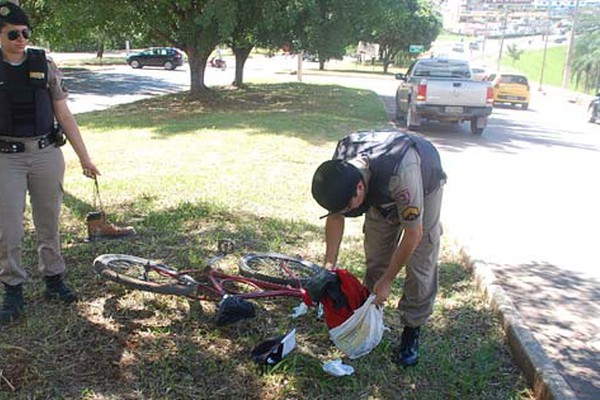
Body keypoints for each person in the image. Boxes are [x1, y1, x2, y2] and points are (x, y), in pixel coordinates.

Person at [0, 2, 100, 326]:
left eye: (25, 32)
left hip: (45, 152)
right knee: (8, 227)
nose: (21, 39)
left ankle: (54, 280)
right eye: (13, 33)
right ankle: (13, 288)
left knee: (49, 222)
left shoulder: (45, 63)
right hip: (6, 157)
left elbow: (64, 114)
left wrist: (85, 157)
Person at [311, 130, 446, 366]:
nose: (344, 212)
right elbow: (336, 215)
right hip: (380, 190)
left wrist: (388, 281)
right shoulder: (342, 165)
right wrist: (328, 266)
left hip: (424, 183)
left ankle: (412, 328)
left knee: (420, 262)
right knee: (376, 257)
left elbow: (413, 234)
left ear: (360, 188)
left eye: (347, 207)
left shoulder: (401, 173)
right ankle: (369, 317)